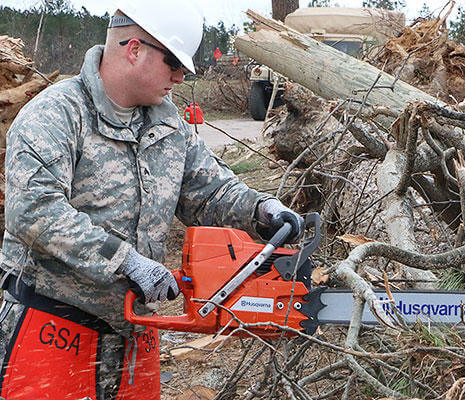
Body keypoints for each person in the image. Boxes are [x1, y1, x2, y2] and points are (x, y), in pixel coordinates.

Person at [0, 1, 304, 398]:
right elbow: (33, 211)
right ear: (135, 48)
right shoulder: (57, 114)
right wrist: (125, 260)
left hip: (135, 330)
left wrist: (261, 209)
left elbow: (208, 191)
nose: (179, 78)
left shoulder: (167, 121)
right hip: (54, 324)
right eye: (174, 65)